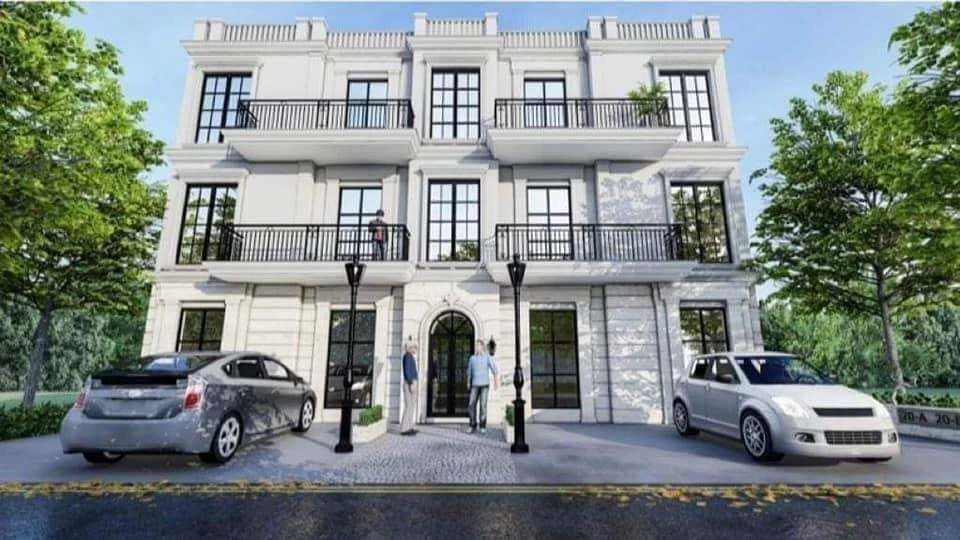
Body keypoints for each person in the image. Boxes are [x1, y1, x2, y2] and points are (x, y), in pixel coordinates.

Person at [466, 339, 499, 434]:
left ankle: (482, 426)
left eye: (478, 345)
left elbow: (494, 369)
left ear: (482, 347)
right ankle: (472, 425)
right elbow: (469, 372)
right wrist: (468, 382)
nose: (477, 347)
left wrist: (496, 382)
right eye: (476, 345)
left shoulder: (487, 357)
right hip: (474, 385)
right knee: (471, 405)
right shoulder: (472, 358)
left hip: (484, 385)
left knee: (483, 406)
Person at [400, 341, 419, 436]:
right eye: (415, 347)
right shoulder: (407, 356)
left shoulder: (410, 356)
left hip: (411, 382)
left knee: (411, 406)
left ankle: (409, 427)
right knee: (409, 406)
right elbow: (407, 371)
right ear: (410, 347)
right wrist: (411, 383)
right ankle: (404, 429)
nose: (416, 349)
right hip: (409, 383)